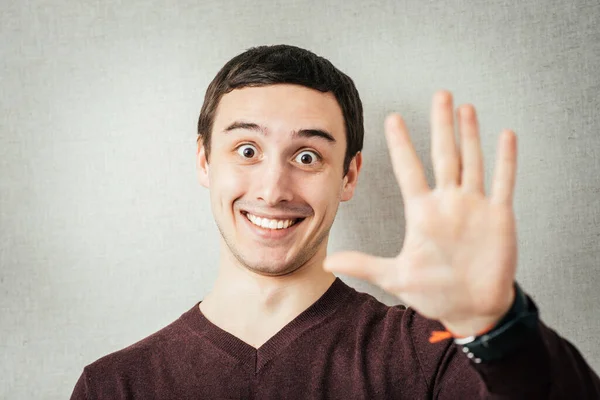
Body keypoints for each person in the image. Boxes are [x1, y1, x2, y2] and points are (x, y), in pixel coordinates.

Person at [70, 44, 600, 399]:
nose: (273, 190)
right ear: (205, 161)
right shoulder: (116, 385)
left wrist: (499, 324)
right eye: (247, 149)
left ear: (349, 176)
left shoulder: (431, 353)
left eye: (307, 157)